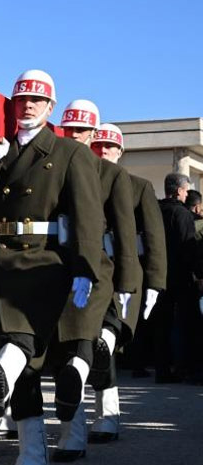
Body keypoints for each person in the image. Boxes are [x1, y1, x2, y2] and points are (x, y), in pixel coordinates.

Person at [0, 70, 104, 465]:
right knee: (22, 367)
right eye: (21, 100)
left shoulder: (68, 153)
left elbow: (87, 215)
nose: (28, 106)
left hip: (44, 261)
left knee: (23, 345)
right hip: (1, 261)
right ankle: (31, 450)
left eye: (36, 101)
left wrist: (85, 266)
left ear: (50, 107)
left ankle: (13, 394)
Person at [50, 106, 139, 462]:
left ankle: (99, 422)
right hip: (57, 268)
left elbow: (128, 234)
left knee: (89, 344)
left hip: (104, 270)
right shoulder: (56, 167)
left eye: (84, 131)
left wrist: (131, 282)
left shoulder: (118, 178)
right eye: (69, 129)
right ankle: (74, 428)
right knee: (70, 351)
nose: (77, 136)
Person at [88, 123, 167, 443]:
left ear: (120, 152)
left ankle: (108, 414)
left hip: (125, 274)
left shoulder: (138, 186)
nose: (103, 151)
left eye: (110, 147)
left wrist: (155, 282)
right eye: (99, 146)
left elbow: (153, 236)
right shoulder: (77, 180)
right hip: (88, 272)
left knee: (104, 344)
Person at [148, 173, 199, 382]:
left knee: (161, 324)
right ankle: (191, 369)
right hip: (181, 277)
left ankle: (162, 370)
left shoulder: (154, 211)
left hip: (157, 275)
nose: (188, 194)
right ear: (179, 191)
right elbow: (190, 248)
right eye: (186, 190)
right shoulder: (183, 214)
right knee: (190, 323)